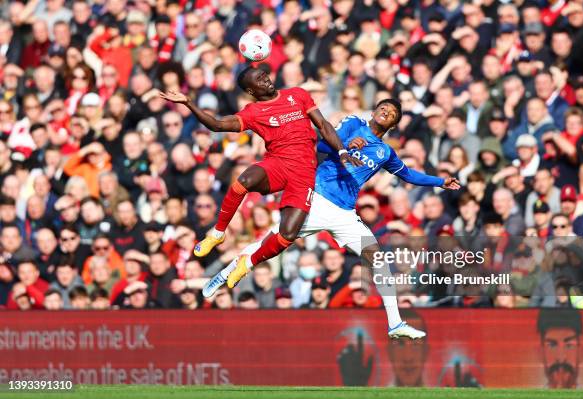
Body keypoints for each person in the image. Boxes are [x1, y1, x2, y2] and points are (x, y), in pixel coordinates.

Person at [204, 99, 459, 338]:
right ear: (374, 111)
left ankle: (395, 323)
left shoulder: (385, 152)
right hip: (316, 198)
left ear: (393, 125)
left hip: (344, 213)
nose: (387, 113)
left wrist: (440, 181)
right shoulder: (353, 124)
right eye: (384, 108)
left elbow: (408, 175)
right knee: (272, 241)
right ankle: (225, 273)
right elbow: (322, 144)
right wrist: (346, 146)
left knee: (378, 259)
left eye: (393, 114)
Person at [160, 66, 361, 282]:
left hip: (303, 172)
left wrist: (341, 150)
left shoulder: (297, 94)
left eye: (265, 75)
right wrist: (189, 103)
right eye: (259, 80)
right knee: (244, 180)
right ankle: (218, 233)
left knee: (288, 234)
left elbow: (323, 124)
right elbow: (217, 125)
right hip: (277, 163)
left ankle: (247, 263)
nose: (266, 80)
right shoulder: (253, 112)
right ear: (251, 90)